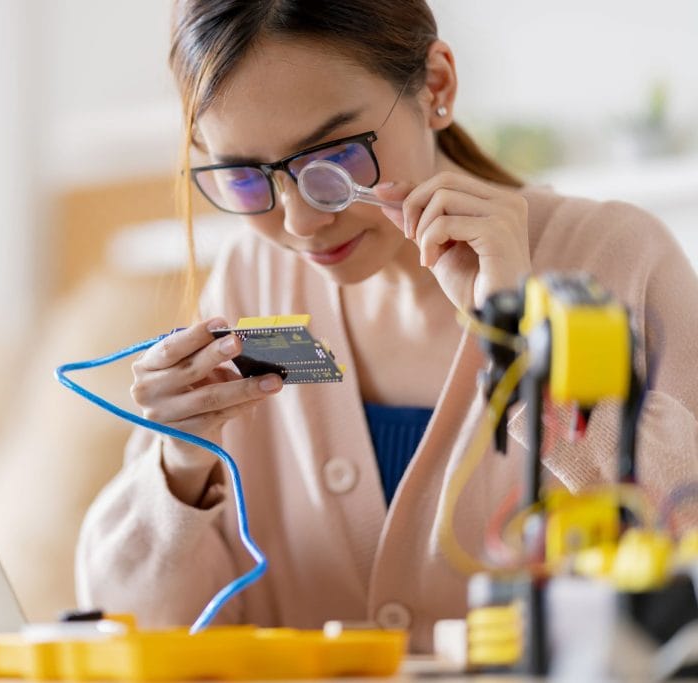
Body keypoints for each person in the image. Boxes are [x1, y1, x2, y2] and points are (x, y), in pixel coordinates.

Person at [76, 0, 698, 652]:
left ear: (436, 86)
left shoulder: (619, 260)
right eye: (243, 176)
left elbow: (684, 542)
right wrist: (179, 464)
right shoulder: (248, 279)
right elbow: (126, 626)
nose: (299, 223)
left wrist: (520, 337)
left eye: (336, 159)